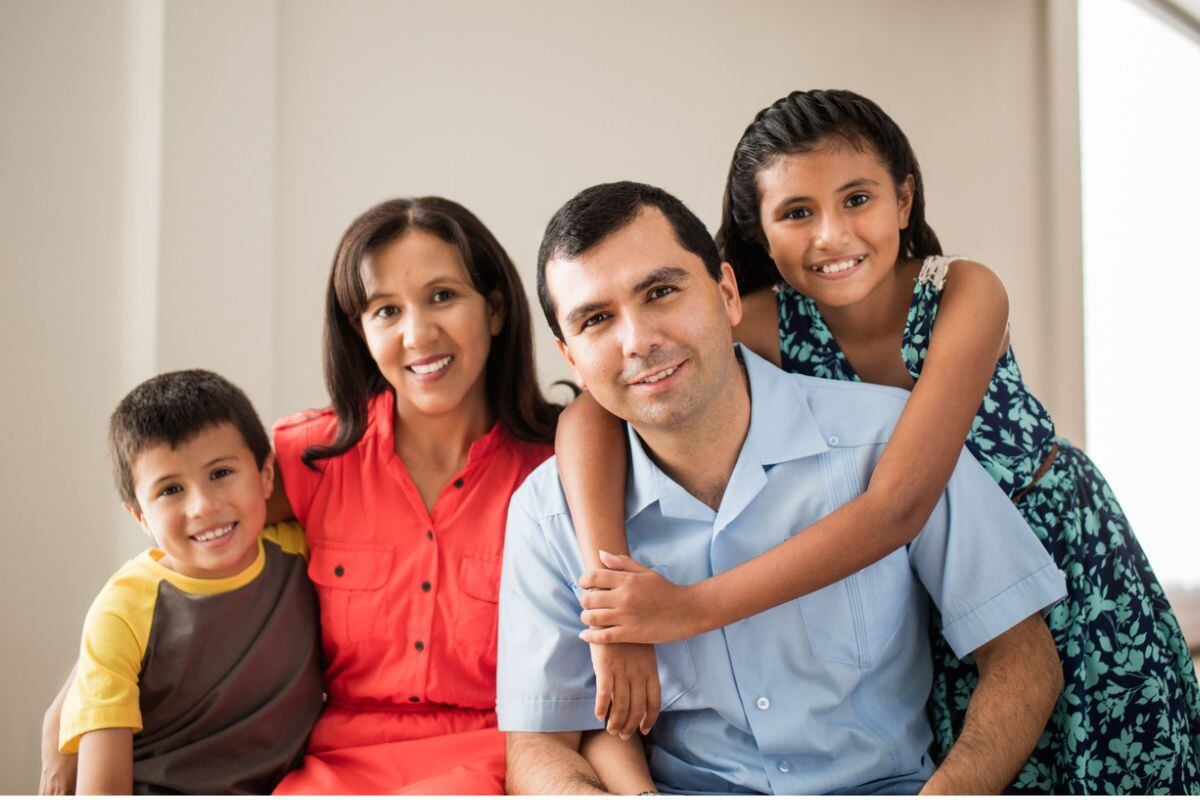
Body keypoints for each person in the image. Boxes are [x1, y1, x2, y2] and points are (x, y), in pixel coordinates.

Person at [556, 90, 1200, 793]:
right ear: (758, 235)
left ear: (903, 201)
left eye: (856, 199)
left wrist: (687, 609)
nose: (831, 235)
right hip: (929, 587)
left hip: (1062, 553)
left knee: (1121, 761)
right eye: (797, 213)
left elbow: (900, 506)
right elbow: (594, 411)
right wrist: (615, 609)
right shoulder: (763, 321)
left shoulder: (964, 292)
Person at [498, 180, 1067, 794]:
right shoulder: (547, 514)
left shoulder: (887, 440)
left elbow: (1023, 660)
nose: (638, 341)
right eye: (596, 320)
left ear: (726, 294)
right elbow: (540, 745)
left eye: (661, 292)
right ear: (570, 358)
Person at [266, 197, 647, 794]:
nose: (418, 334)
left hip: (501, 762)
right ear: (360, 332)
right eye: (386, 310)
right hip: (335, 770)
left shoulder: (563, 466)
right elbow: (181, 547)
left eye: (442, 296)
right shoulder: (309, 457)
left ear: (494, 309)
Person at [47, 369, 322, 794]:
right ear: (140, 517)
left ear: (266, 475)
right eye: (170, 490)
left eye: (221, 473)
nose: (202, 506)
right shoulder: (122, 611)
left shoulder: (301, 552)